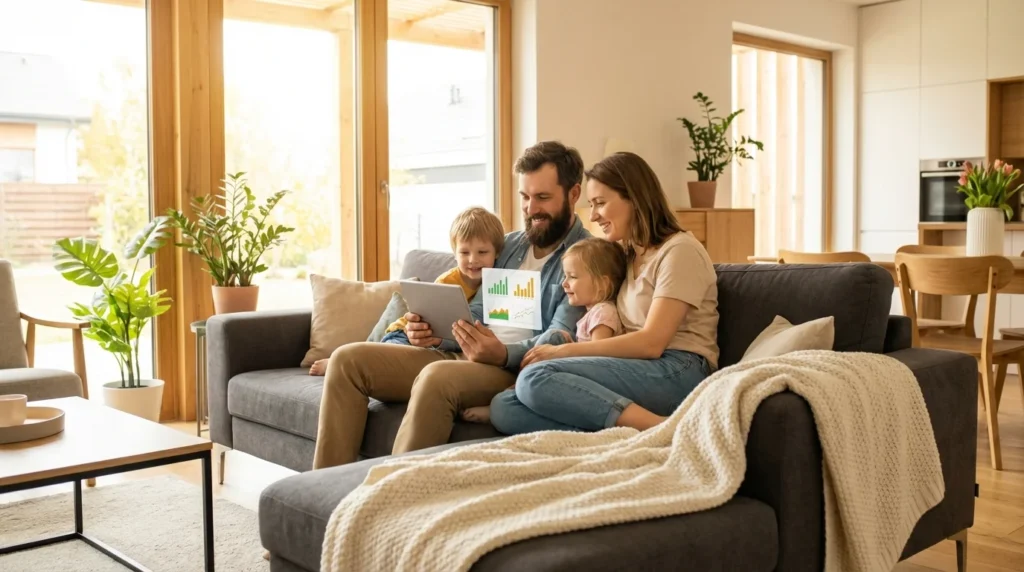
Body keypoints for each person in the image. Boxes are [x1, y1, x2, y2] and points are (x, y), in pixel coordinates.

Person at [311, 140, 592, 470]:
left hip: (515, 372)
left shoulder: (587, 257)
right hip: (466, 352)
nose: (531, 209)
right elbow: (478, 311)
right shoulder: (512, 245)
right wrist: (434, 333)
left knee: (437, 376)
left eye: (543, 197)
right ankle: (326, 492)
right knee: (348, 359)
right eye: (524, 197)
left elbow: (559, 337)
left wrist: (502, 354)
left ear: (573, 194)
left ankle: (389, 499)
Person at [489, 151, 720, 435]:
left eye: (600, 203)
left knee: (535, 377)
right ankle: (618, 433)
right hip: (635, 366)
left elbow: (651, 343)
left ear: (634, 198)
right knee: (504, 406)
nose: (594, 215)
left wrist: (562, 353)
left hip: (679, 368)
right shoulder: (626, 255)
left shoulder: (679, 251)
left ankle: (666, 430)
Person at [307, 207, 504, 375]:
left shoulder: (496, 284)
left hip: (431, 343)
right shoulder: (447, 282)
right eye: (464, 252)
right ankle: (335, 363)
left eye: (482, 252)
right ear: (455, 253)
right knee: (378, 356)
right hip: (405, 334)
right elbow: (429, 321)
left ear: (497, 253)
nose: (473, 260)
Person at [461, 237, 627, 423]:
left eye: (572, 277)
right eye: (565, 276)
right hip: (569, 373)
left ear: (602, 284)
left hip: (585, 383)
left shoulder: (603, 313)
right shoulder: (592, 313)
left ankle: (516, 390)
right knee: (554, 336)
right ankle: (516, 390)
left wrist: (564, 352)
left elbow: (597, 363)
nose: (565, 283)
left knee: (553, 338)